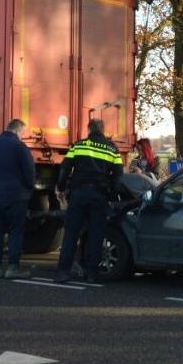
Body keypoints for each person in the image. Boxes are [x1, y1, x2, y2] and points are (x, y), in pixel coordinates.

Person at [54, 119, 122, 284]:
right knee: (95, 235)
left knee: (71, 233)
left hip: (78, 194)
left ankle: (63, 272)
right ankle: (92, 274)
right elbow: (118, 177)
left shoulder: (78, 145)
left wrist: (61, 188)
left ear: (89, 129)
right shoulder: (112, 149)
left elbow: (64, 169)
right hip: (99, 196)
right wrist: (112, 196)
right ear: (103, 130)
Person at [0, 119, 36, 279]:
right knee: (15, 231)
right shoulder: (19, 147)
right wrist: (29, 189)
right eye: (22, 134)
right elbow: (29, 172)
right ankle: (13, 267)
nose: (22, 137)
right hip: (16, 196)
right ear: (18, 131)